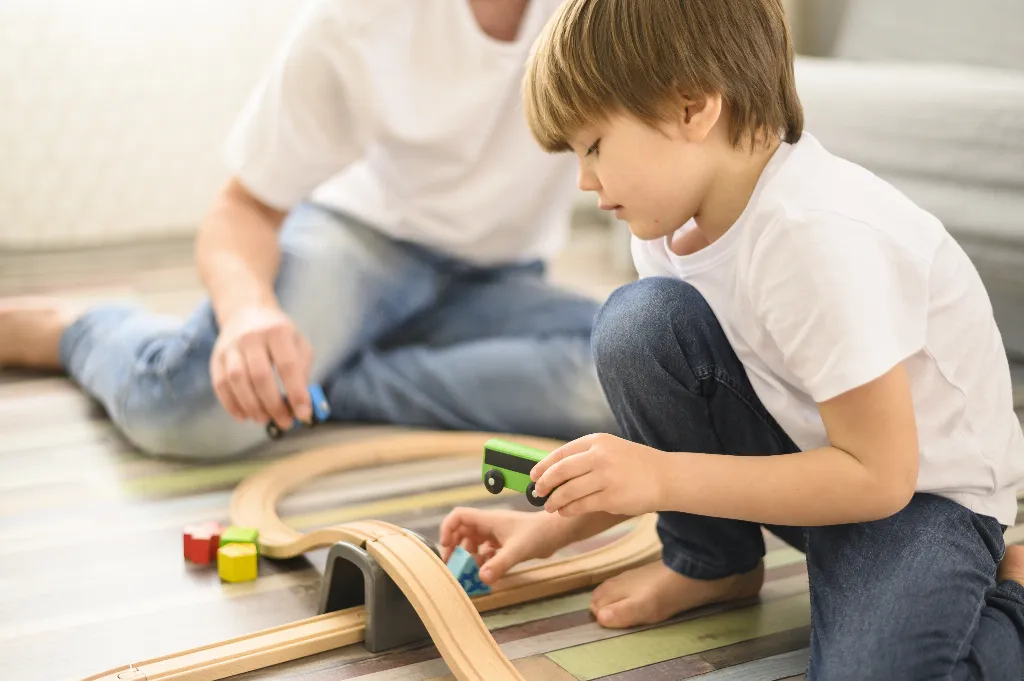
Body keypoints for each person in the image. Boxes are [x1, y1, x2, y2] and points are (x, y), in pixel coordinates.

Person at [439, 0, 1024, 678]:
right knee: (639, 321)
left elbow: (881, 478)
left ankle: (1013, 595)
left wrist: (658, 476)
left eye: (594, 145)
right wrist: (549, 529)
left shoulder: (813, 237)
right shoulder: (669, 229)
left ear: (693, 107)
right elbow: (669, 444)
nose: (585, 180)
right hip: (816, 462)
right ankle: (714, 563)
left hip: (924, 500)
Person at [0, 0, 620, 459]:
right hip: (362, 242)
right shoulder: (353, 21)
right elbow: (241, 209)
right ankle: (71, 331)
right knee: (189, 415)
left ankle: (324, 381)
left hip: (500, 278)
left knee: (634, 384)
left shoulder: (610, 18)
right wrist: (248, 315)